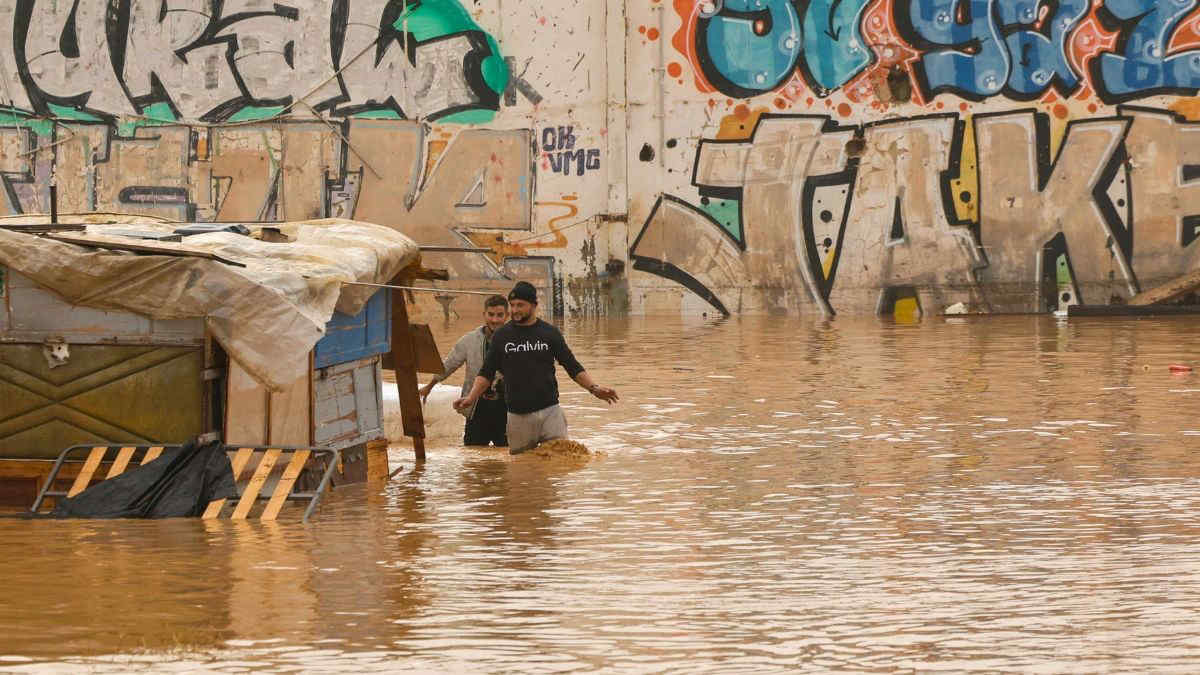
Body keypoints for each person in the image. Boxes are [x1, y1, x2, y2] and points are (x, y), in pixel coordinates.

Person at [454, 281, 618, 454]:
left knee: (560, 463)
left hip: (550, 412)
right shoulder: (502, 336)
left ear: (534, 305)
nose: (515, 310)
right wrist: (471, 398)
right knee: (522, 470)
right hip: (518, 417)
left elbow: (572, 366)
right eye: (513, 305)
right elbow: (486, 373)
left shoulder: (549, 333)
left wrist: (594, 388)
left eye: (520, 305)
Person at [421, 294, 510, 446]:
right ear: (484, 315)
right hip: (476, 407)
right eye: (491, 315)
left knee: (507, 455)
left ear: (507, 316)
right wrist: (429, 387)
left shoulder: (515, 340)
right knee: (473, 456)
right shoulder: (470, 340)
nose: (495, 320)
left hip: (507, 408)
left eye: (499, 315)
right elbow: (449, 365)